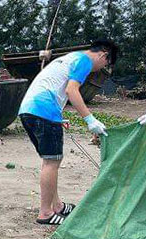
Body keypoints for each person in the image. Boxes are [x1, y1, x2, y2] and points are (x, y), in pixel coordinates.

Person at [18, 39, 118, 225]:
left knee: (51, 160)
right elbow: (71, 90)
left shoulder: (70, 58)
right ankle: (46, 213)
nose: (103, 68)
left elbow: (55, 87)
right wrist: (90, 120)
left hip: (30, 110)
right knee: (52, 162)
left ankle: (57, 206)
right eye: (107, 64)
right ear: (104, 55)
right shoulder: (85, 61)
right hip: (43, 111)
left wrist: (58, 117)